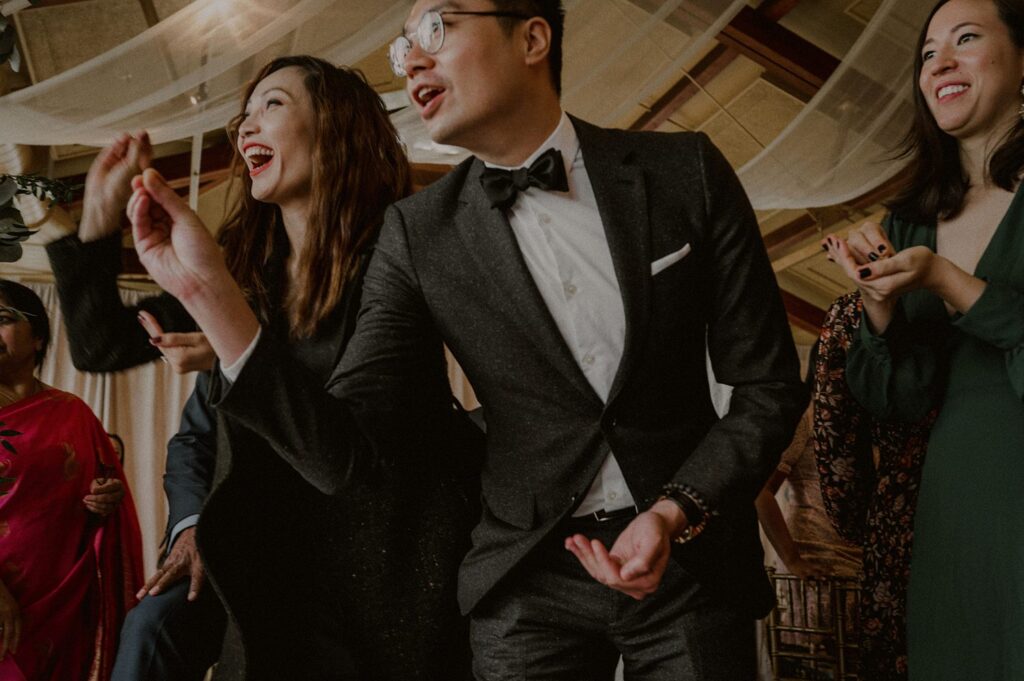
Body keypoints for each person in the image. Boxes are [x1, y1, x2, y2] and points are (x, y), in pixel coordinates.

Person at [125, 2, 806, 678]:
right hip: (525, 580)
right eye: (402, 49)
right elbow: (344, 455)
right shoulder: (417, 235)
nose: (412, 60)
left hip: (688, 566)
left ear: (533, 36)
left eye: (436, 30)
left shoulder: (684, 170)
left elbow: (767, 388)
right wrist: (210, 292)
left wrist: (674, 509)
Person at [52, 57, 479, 680]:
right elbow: (99, 346)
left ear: (334, 128)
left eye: (272, 105)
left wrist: (231, 343)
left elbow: (346, 447)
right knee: (153, 628)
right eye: (244, 114)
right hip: (271, 552)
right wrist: (95, 222)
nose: (246, 126)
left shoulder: (397, 257)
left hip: (388, 568)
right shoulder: (244, 271)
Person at [823, 0, 1024, 677]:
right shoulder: (909, 219)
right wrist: (878, 306)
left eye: (966, 39)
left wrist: (948, 280)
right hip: (955, 497)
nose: (939, 61)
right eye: (928, 51)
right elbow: (901, 399)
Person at [0, 279, 143, 680]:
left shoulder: (71, 412)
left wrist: (106, 498)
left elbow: (99, 486)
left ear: (39, 338)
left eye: (3, 319)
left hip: (64, 602)